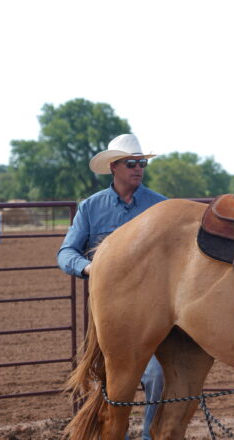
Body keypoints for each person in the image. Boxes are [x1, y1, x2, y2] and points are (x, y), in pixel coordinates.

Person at [58, 133, 166, 440]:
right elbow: (66, 252)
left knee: (157, 374)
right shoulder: (91, 208)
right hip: (111, 316)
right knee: (109, 379)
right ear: (114, 167)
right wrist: (90, 267)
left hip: (153, 312)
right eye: (131, 163)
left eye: (141, 163)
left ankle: (149, 436)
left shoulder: (161, 208)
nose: (138, 168)